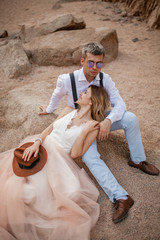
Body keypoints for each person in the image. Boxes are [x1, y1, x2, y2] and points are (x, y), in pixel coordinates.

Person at [38, 42, 159, 224]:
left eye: (99, 63)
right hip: (82, 126)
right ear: (82, 61)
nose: (95, 68)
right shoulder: (66, 80)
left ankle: (137, 159)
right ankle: (121, 198)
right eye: (91, 63)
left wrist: (107, 121)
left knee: (131, 118)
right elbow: (56, 95)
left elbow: (120, 105)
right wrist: (48, 109)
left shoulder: (105, 79)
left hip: (101, 118)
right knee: (89, 157)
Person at [0, 85, 110, 240]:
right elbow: (48, 130)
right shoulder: (68, 110)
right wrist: (36, 143)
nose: (81, 93)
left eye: (85, 93)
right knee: (15, 182)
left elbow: (75, 153)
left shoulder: (92, 127)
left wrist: (84, 131)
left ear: (91, 102)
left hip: (59, 159)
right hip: (42, 147)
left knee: (56, 194)